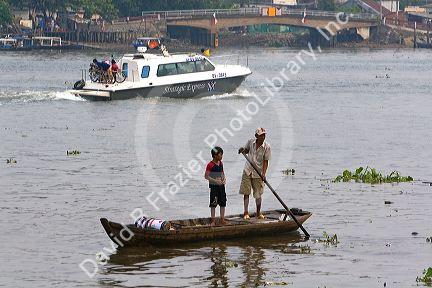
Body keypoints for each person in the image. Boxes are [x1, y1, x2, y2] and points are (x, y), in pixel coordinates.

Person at [238, 127, 271, 220]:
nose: (263, 137)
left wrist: (263, 174)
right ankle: (246, 212)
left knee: (258, 194)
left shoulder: (267, 147)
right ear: (256, 136)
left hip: (258, 173)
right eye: (261, 135)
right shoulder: (250, 142)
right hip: (248, 170)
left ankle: (258, 212)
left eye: (264, 135)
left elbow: (266, 161)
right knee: (246, 192)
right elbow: (246, 151)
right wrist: (242, 150)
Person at [205, 146, 227, 226]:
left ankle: (222, 219)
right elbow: (206, 176)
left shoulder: (221, 163)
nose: (221, 156)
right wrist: (215, 181)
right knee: (213, 204)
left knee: (223, 202)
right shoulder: (210, 165)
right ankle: (213, 221)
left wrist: (224, 179)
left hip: (221, 187)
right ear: (215, 155)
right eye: (220, 155)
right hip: (214, 187)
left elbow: (222, 173)